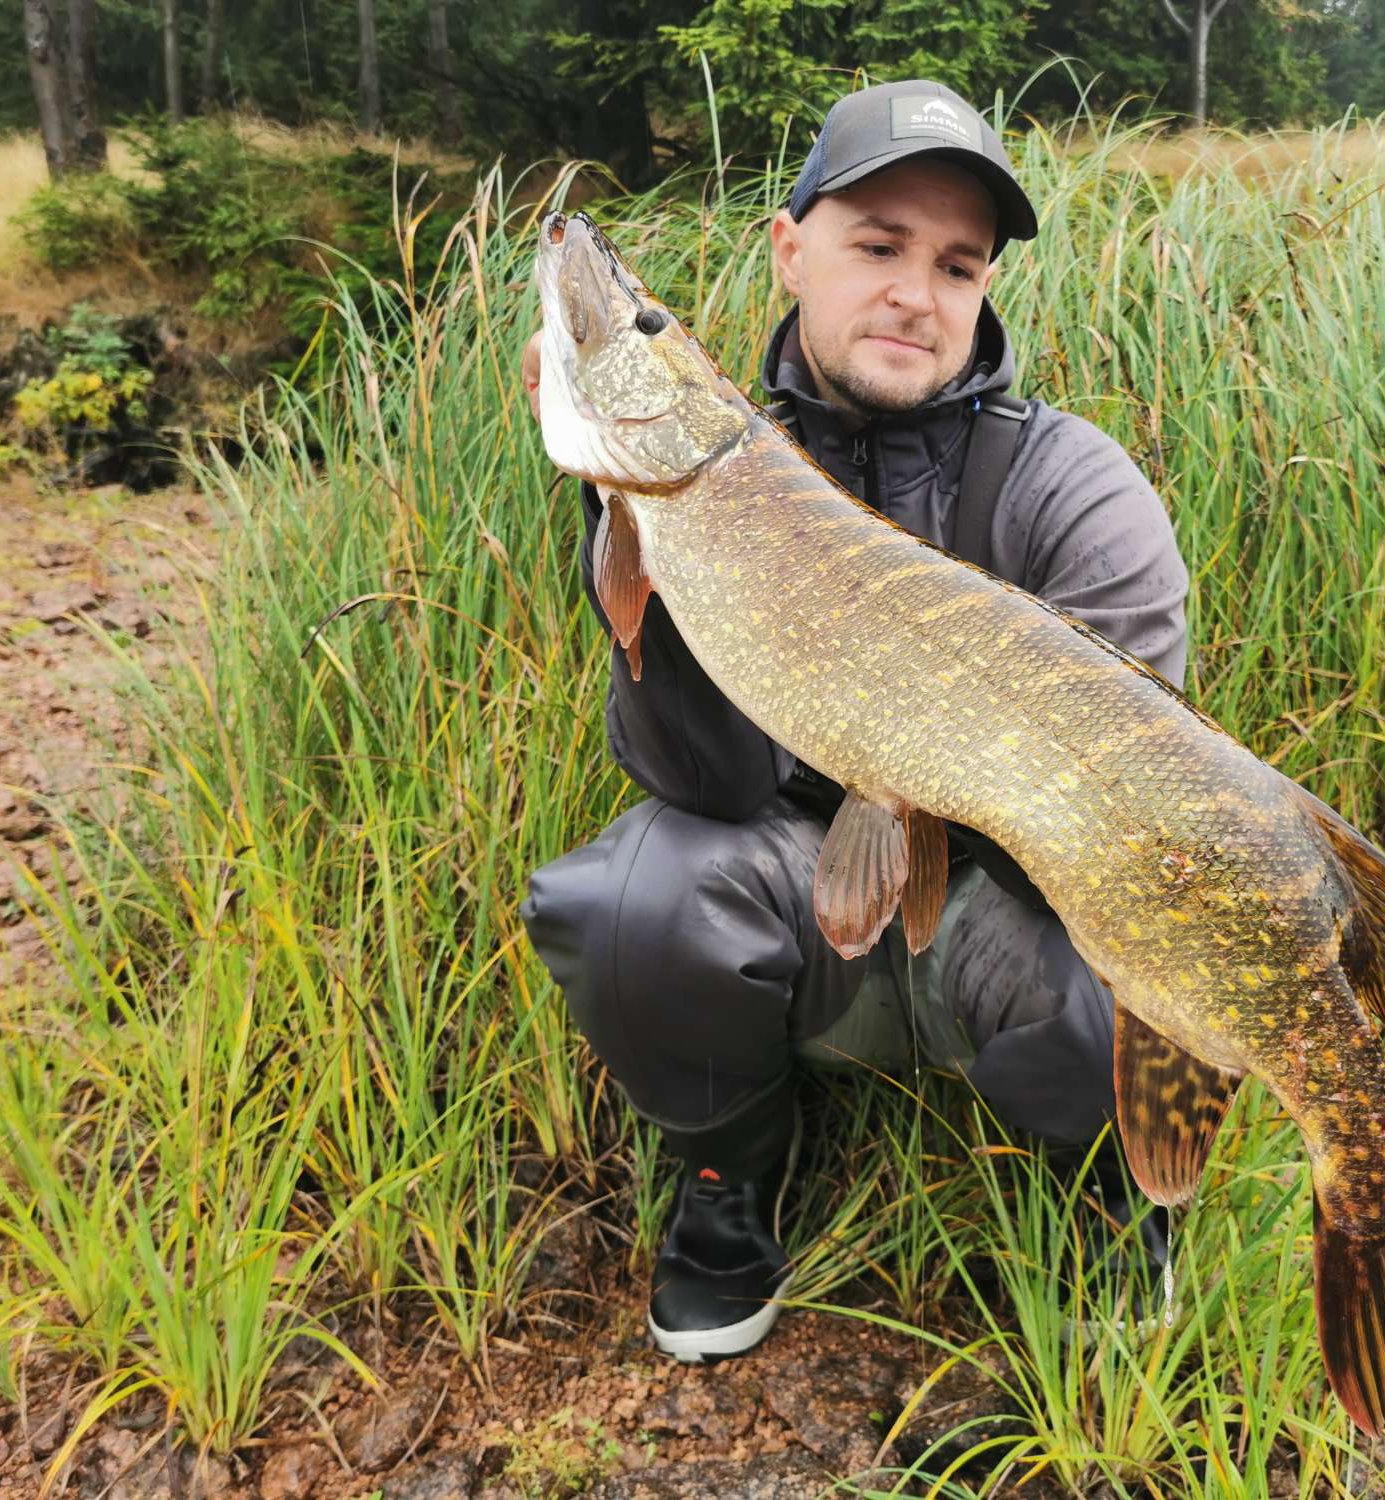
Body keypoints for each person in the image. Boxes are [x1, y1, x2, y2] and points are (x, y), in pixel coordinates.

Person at [518, 79, 1190, 1364]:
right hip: (794, 894)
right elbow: (704, 785)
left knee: (1141, 968)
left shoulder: (1074, 491)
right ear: (790, 250)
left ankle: (1109, 1197)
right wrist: (624, 514)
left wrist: (917, 803)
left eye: (956, 265)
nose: (914, 294)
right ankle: (727, 1176)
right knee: (627, 901)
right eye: (877, 246)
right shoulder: (712, 474)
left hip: (1001, 909)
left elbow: (1125, 815)